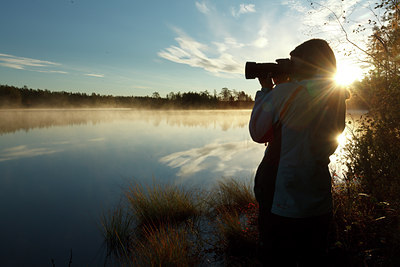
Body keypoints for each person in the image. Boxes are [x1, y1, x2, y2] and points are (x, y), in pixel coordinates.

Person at [249, 39, 348, 266]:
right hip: (317, 195)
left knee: (276, 256)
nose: (290, 68)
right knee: (314, 255)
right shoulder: (337, 94)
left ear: (308, 64)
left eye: (294, 64)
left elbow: (258, 132)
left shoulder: (285, 92)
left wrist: (266, 90)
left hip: (282, 197)